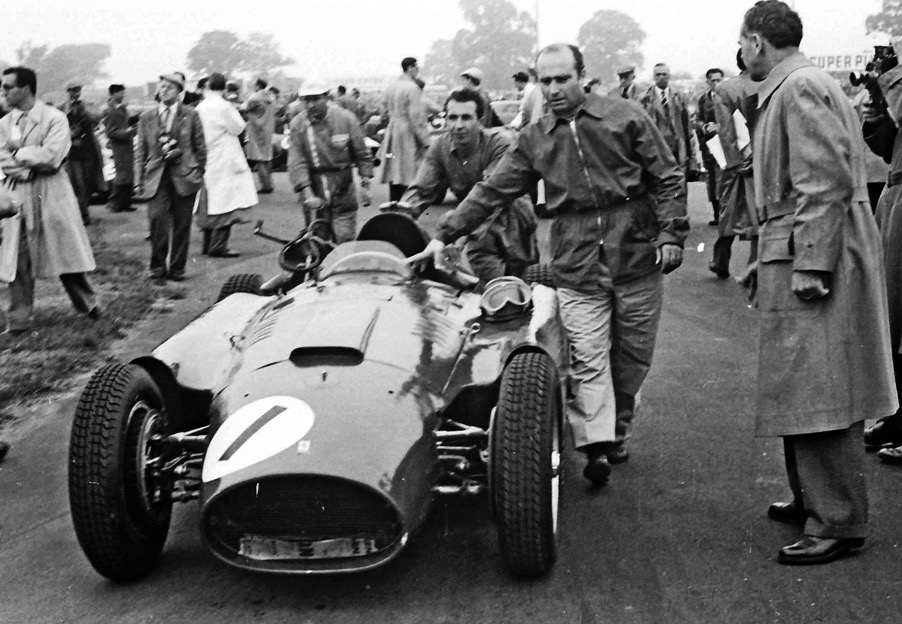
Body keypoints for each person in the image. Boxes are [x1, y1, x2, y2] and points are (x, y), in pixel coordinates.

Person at [408, 43, 688, 487]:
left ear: (582, 76)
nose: (554, 89)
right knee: (587, 356)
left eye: (562, 79)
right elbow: (492, 190)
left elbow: (668, 175)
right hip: (576, 260)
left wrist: (672, 233)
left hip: (635, 253)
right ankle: (595, 443)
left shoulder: (626, 116)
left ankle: (617, 426)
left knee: (632, 358)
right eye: (546, 81)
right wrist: (446, 233)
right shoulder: (535, 139)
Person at [738, 0, 897, 565]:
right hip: (804, 243)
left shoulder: (799, 86)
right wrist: (772, 256)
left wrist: (810, 264)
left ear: (758, 41)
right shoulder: (797, 84)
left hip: (817, 249)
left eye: (743, 42)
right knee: (803, 380)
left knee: (822, 385)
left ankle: (837, 520)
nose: (741, 53)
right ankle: (814, 497)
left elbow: (823, 183)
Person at [397, 88, 538, 285]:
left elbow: (491, 195)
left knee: (523, 275)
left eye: (466, 118)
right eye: (452, 117)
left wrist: (457, 234)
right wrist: (400, 215)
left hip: (511, 213)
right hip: (472, 219)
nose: (458, 125)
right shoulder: (440, 147)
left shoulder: (500, 144)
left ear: (479, 120)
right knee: (485, 266)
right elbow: (421, 189)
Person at [0, 66, 101, 333]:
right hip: (17, 194)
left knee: (65, 251)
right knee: (18, 256)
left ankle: (89, 305)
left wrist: (19, 153)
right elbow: (4, 162)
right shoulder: (3, 124)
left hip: (52, 192)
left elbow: (54, 156)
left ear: (26, 88)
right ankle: (19, 320)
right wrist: (29, 162)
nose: (3, 91)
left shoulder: (54, 118)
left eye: (8, 86)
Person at [860, 41, 902, 461]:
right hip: (895, 191)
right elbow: (887, 145)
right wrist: (875, 107)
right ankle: (898, 414)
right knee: (894, 314)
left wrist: (890, 77)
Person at [134, 72, 206, 281]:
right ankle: (157, 267)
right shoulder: (146, 117)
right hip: (156, 177)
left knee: (183, 223)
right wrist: (139, 179)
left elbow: (200, 147)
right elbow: (140, 151)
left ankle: (177, 269)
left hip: (185, 177)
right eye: (162, 87)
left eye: (170, 87)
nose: (164, 90)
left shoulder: (191, 114)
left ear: (179, 93)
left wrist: (198, 171)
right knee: (157, 220)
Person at [288, 85, 374, 244]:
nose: (311, 105)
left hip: (343, 187)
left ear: (327, 97)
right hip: (314, 187)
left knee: (344, 238)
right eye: (306, 100)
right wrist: (308, 194)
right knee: (317, 241)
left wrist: (365, 183)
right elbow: (296, 161)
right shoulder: (298, 124)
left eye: (316, 99)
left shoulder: (346, 118)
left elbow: (361, 152)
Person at [194, 73, 257, 258]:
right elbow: (238, 127)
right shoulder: (224, 106)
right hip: (224, 156)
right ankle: (218, 245)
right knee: (226, 203)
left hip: (207, 155)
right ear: (223, 88)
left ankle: (207, 244)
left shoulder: (200, 106)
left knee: (208, 202)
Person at [708, 52, 758, 279]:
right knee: (760, 213)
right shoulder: (770, 84)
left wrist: (734, 162)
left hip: (735, 162)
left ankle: (721, 260)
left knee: (729, 212)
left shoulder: (725, 89)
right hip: (762, 159)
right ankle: (755, 264)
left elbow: (726, 130)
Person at [380, 57, 431, 202]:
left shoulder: (391, 86)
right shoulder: (412, 87)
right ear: (410, 68)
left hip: (392, 129)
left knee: (394, 170)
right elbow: (416, 118)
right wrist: (426, 141)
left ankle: (393, 204)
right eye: (416, 68)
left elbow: (382, 110)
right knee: (408, 171)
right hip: (406, 131)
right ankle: (406, 207)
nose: (417, 71)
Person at [60, 83, 106, 225]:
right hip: (69, 152)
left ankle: (83, 213)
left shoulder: (88, 105)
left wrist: (84, 110)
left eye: (77, 90)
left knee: (85, 183)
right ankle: (76, 213)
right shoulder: (61, 108)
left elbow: (97, 118)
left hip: (87, 151)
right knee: (72, 184)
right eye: (71, 90)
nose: (75, 93)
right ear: (67, 92)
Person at [640, 63, 692, 183]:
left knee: (680, 181)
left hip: (678, 145)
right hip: (657, 147)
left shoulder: (680, 96)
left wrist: (690, 152)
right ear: (653, 76)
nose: (662, 77)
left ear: (669, 76)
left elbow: (687, 126)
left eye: (664, 74)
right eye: (658, 74)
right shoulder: (644, 99)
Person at [696, 68, 725, 226]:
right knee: (712, 180)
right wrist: (704, 126)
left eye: (718, 80)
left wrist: (719, 126)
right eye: (712, 80)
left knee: (723, 179)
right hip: (708, 144)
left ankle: (725, 213)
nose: (716, 83)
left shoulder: (727, 97)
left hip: (724, 144)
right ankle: (716, 214)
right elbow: (697, 118)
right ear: (708, 82)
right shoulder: (703, 99)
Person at [102, 84, 136, 213]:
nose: (122, 95)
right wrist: (128, 132)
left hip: (126, 144)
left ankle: (125, 202)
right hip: (119, 146)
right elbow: (110, 132)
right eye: (120, 93)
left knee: (128, 174)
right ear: (112, 94)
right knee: (121, 175)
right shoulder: (109, 111)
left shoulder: (122, 108)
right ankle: (114, 203)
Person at [241, 78, 276, 193]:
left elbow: (243, 107)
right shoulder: (271, 97)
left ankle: (265, 185)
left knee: (259, 158)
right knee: (267, 157)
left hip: (256, 130)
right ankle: (270, 183)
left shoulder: (255, 98)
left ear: (258, 86)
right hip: (268, 130)